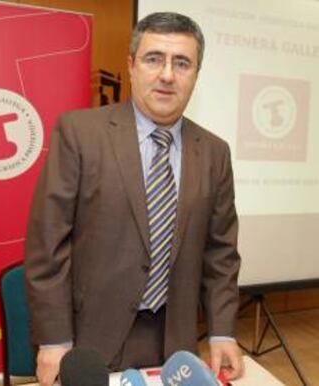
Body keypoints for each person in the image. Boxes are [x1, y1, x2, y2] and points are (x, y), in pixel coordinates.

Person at [25, 12, 243, 386]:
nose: (167, 75)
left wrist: (222, 331)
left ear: (195, 74)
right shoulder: (80, 134)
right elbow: (48, 246)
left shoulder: (214, 152)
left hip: (177, 346)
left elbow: (220, 254)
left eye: (182, 63)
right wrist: (54, 339)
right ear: (131, 65)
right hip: (89, 340)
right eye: (154, 58)